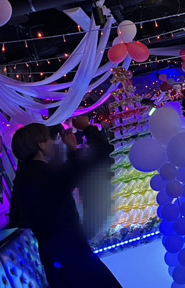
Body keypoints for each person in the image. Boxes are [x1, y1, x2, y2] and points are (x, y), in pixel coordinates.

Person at [8, 119, 122, 288]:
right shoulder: (47, 175)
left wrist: (72, 153)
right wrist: (86, 129)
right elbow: (102, 154)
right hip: (75, 261)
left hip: (56, 262)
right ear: (41, 145)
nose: (54, 143)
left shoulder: (24, 179)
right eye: (49, 139)